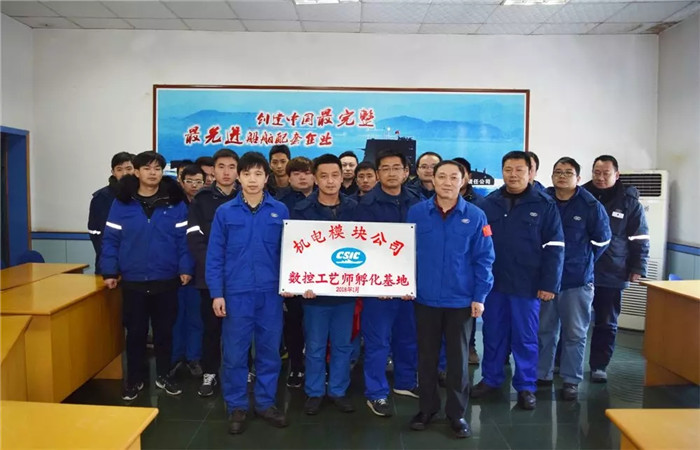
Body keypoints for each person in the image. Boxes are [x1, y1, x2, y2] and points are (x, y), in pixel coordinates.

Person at [407, 160, 495, 438]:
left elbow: (484, 259)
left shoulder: (476, 216)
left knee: (458, 362)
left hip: (461, 301)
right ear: (432, 180)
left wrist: (480, 296)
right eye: (441, 176)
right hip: (425, 299)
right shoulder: (417, 213)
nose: (447, 182)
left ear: (463, 181)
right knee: (426, 358)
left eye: (453, 177)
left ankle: (457, 414)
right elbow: (404, 253)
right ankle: (427, 409)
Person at [470, 151, 564, 410]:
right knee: (493, 333)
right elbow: (477, 245)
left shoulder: (544, 205)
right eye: (508, 169)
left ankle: (525, 386)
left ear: (531, 172)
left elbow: (555, 247)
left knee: (525, 337)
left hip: (527, 284)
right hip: (494, 283)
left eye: (519, 170)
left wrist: (549, 284)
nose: (513, 175)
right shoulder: (488, 204)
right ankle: (491, 379)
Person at [206, 151, 289, 434]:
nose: (252, 179)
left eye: (258, 174)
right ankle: (237, 405)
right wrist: (217, 293)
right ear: (238, 177)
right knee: (234, 354)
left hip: (270, 294)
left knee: (269, 351)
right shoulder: (225, 212)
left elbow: (289, 253)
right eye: (247, 174)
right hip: (236, 293)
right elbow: (215, 255)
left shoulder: (280, 210)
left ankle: (265, 403)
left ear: (266, 178)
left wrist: (289, 284)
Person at [100, 151, 193, 401]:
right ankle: (135, 379)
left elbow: (184, 241)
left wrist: (185, 268)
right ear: (137, 172)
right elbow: (110, 240)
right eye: (147, 168)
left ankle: (164, 375)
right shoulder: (122, 203)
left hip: (166, 279)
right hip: (133, 281)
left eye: (158, 168)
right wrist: (109, 270)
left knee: (165, 333)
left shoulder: (175, 202)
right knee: (136, 333)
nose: (153, 173)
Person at [287, 153, 358, 415]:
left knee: (342, 344)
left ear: (342, 177)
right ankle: (314, 391)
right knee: (315, 345)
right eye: (324, 176)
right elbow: (292, 249)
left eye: (335, 175)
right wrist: (297, 281)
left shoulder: (356, 209)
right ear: (315, 179)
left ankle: (338, 390)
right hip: (313, 293)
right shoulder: (301, 210)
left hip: (346, 291)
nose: (330, 181)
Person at [537, 157, 611, 401]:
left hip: (577, 281)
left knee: (575, 333)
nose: (562, 176)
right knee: (544, 331)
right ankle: (542, 374)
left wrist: (582, 260)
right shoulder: (542, 200)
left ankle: (571, 379)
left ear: (578, 178)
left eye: (568, 173)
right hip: (546, 281)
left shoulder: (590, 206)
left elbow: (602, 241)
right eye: (558, 172)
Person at [356, 149, 423, 417]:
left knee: (408, 336)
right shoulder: (365, 205)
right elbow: (362, 247)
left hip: (411, 285)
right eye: (385, 168)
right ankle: (376, 392)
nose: (391, 173)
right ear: (377, 173)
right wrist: (379, 282)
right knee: (378, 341)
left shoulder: (419, 203)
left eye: (397, 168)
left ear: (406, 172)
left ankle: (405, 382)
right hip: (378, 287)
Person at [583, 155, 649, 383]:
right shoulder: (581, 195)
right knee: (572, 321)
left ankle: (599, 365)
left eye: (606, 173)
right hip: (581, 270)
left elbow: (640, 237)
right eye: (596, 172)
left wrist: (638, 267)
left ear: (617, 175)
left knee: (606, 322)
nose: (600, 178)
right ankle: (562, 362)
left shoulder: (629, 202)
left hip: (613, 270)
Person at [186, 148, 240, 397]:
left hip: (241, 278)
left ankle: (243, 371)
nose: (226, 172)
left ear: (238, 171)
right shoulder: (202, 199)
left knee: (240, 328)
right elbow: (194, 238)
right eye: (221, 167)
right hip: (210, 278)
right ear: (213, 171)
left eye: (231, 167)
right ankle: (210, 372)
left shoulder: (247, 197)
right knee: (211, 328)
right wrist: (215, 267)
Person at [275, 156, 314, 388]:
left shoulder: (330, 199)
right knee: (293, 324)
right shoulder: (280, 204)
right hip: (292, 275)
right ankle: (297, 367)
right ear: (288, 178)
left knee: (319, 326)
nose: (302, 177)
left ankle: (321, 369)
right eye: (296, 173)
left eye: (307, 172)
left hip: (323, 275)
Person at [171, 164, 206, 378]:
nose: (194, 185)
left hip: (200, 270)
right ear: (181, 182)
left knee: (196, 318)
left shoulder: (205, 204)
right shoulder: (173, 205)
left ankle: (194, 358)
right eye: (190, 181)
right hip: (175, 271)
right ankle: (176, 358)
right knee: (176, 318)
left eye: (198, 181)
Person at [87, 151, 134, 274]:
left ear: (136, 170)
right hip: (110, 265)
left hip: (137, 266)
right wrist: (110, 259)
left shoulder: (142, 195)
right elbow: (95, 232)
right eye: (119, 169)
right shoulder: (101, 197)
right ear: (113, 172)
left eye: (129, 169)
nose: (124, 173)